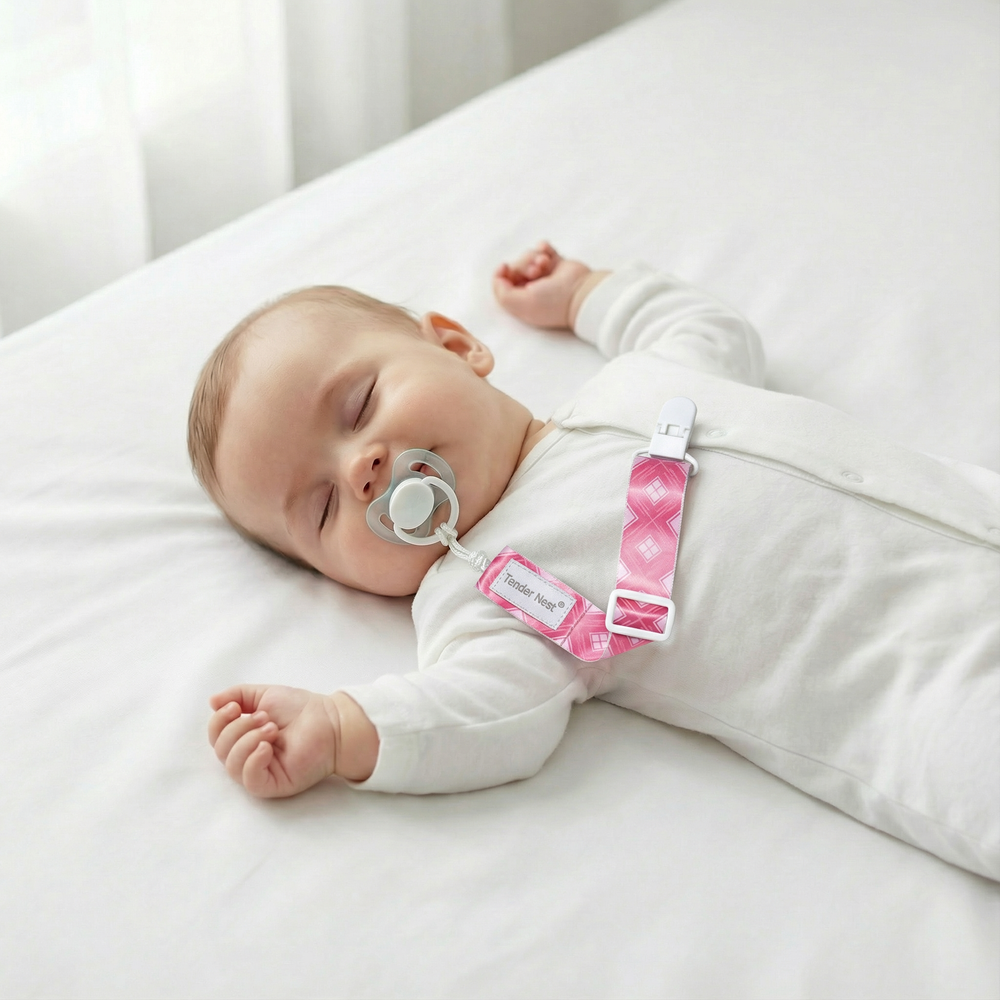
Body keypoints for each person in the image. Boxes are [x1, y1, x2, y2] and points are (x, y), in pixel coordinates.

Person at [189, 242, 999, 879]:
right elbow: (481, 714)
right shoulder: (486, 593)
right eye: (323, 509)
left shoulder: (636, 383)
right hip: (928, 694)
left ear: (459, 345)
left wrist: (588, 294)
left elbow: (713, 334)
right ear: (335, 578)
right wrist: (341, 727)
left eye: (361, 405)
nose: (361, 469)